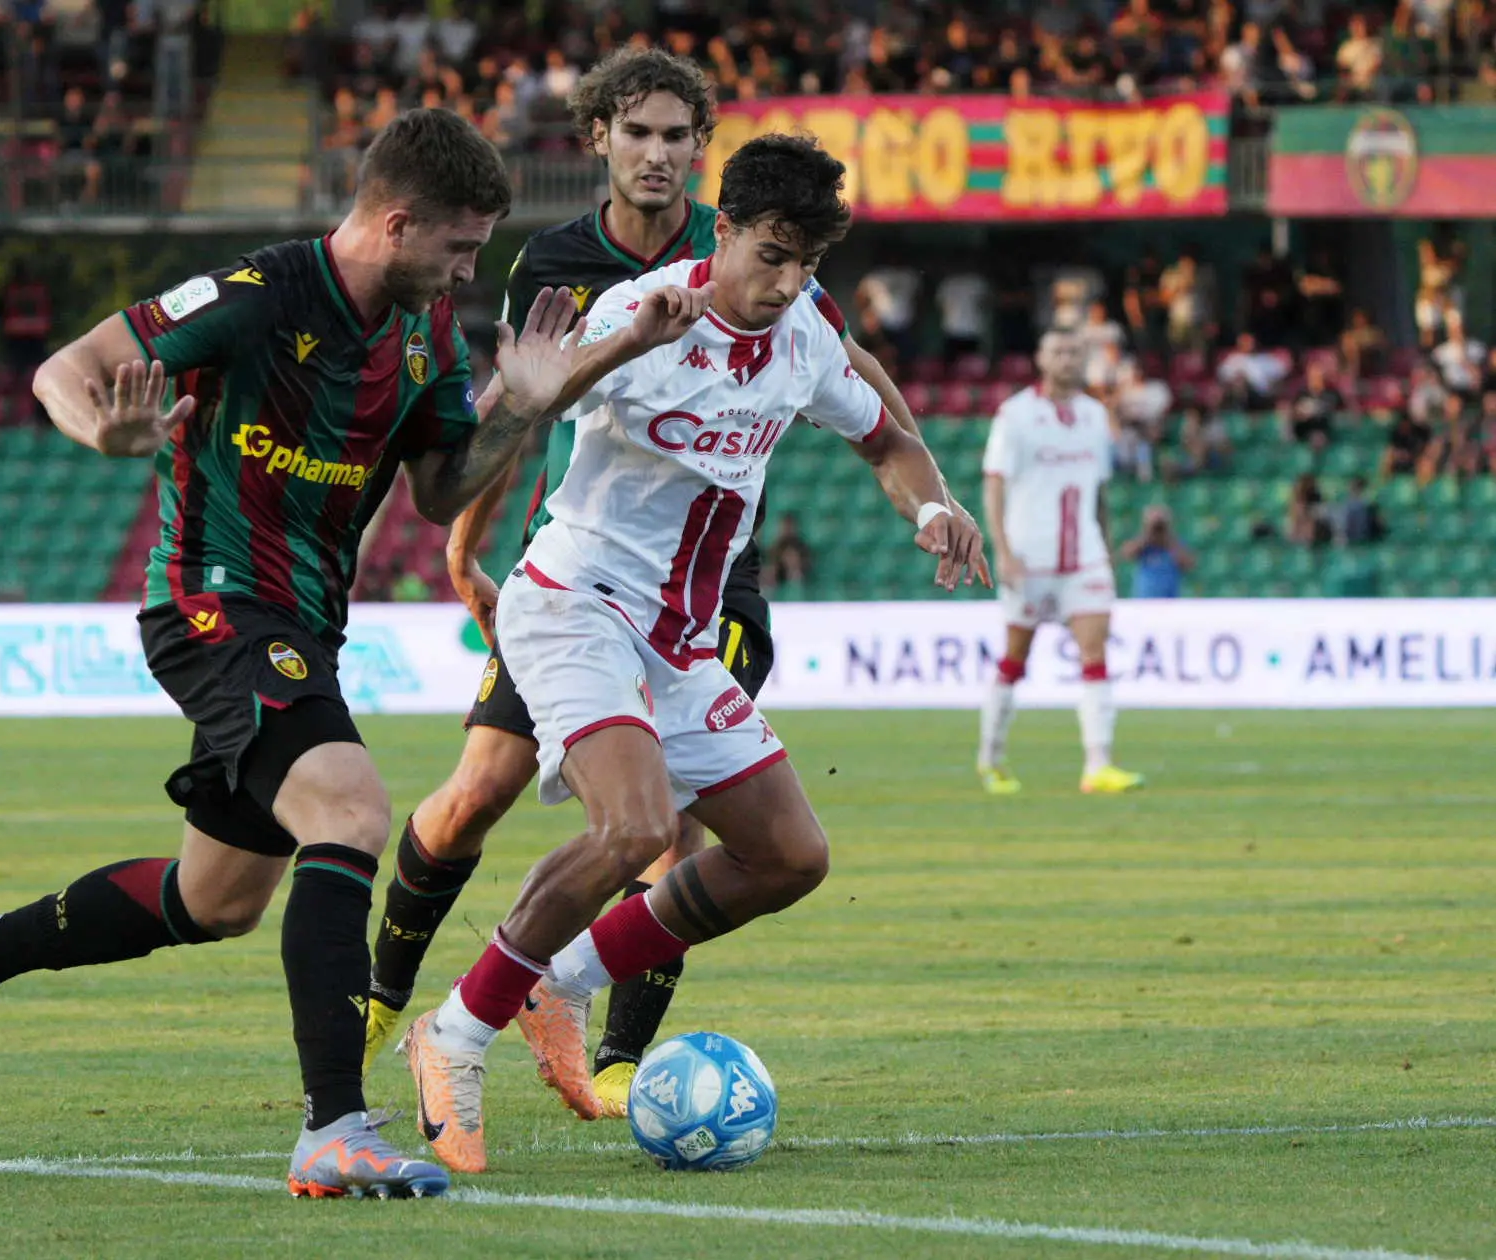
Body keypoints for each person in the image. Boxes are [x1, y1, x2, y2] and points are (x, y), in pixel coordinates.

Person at [0, 108, 584, 1201]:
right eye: (458, 247)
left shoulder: (423, 338)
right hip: (212, 600)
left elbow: (444, 486)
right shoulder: (258, 295)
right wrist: (109, 432)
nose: (469, 271)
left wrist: (526, 412)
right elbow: (63, 372)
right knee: (352, 811)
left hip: (305, 622)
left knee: (215, 900)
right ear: (399, 221)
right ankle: (333, 1127)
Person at [359, 50, 950, 1119]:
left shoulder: (805, 329)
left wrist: (934, 509)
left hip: (684, 632)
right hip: (575, 599)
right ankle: (453, 1035)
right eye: (769, 257)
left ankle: (564, 986)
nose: (782, 283)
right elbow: (500, 435)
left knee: (789, 856)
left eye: (801, 264)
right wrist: (607, 352)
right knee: (623, 828)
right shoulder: (637, 309)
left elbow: (888, 437)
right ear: (723, 231)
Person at [978, 330, 1144, 797]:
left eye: (1074, 351)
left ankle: (1099, 766)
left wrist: (1106, 549)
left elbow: (1101, 492)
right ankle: (991, 760)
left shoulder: (1095, 416)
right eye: (1058, 351)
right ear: (1040, 357)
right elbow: (995, 487)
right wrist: (1004, 551)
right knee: (1015, 659)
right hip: (1030, 558)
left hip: (1085, 558)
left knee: (1096, 657)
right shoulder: (1015, 415)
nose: (1067, 358)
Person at [1121, 505, 1193, 597]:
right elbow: (1127, 554)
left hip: (1170, 599)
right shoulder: (1144, 544)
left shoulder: (1175, 544)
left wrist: (1167, 538)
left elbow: (1188, 563)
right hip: (1145, 599)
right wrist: (1148, 534)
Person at [0, 259, 52, 372]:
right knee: (37, 365)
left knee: (18, 366)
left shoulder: (8, 290)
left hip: (16, 332)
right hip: (36, 331)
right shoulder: (39, 289)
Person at [1278, 360, 1343, 452]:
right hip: (1304, 432)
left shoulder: (1330, 394)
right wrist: (1299, 413)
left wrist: (1313, 410)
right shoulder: (1302, 394)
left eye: (1316, 375)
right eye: (1310, 375)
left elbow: (1335, 412)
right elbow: (1295, 412)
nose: (1313, 378)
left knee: (1318, 437)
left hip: (1324, 432)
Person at [1217, 332, 1287, 411]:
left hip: (1265, 395)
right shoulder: (1233, 359)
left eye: (1248, 342)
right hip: (1242, 396)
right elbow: (1224, 376)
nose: (1246, 345)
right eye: (1243, 342)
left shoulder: (1265, 359)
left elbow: (1280, 373)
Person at [764, 512, 815, 589]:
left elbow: (808, 566)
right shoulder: (776, 547)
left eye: (789, 526)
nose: (787, 529)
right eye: (785, 525)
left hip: (799, 581)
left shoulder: (802, 547)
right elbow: (772, 564)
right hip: (779, 581)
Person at [1336, 476, 1386, 545]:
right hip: (1351, 543)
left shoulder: (1370, 506)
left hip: (1367, 542)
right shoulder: (1345, 506)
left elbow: (1380, 528)